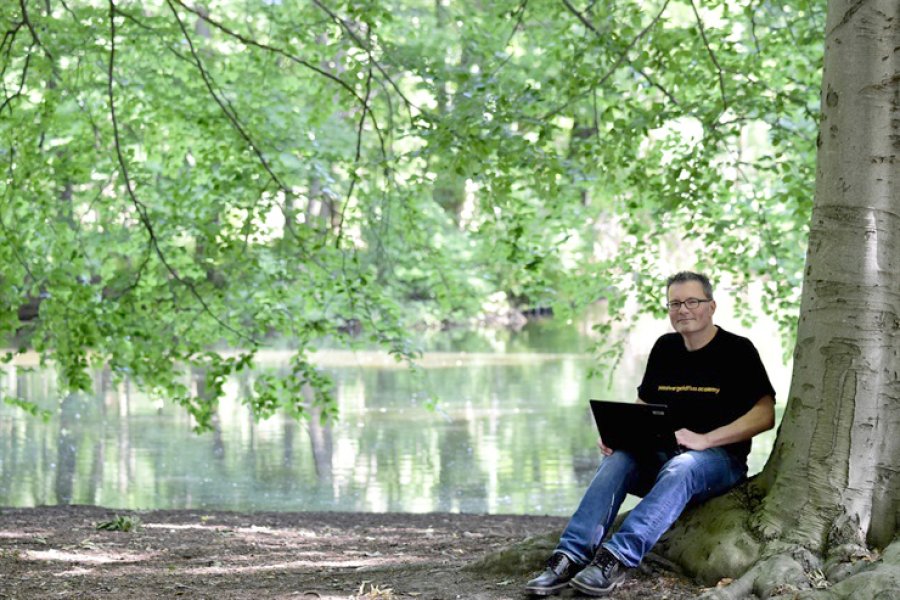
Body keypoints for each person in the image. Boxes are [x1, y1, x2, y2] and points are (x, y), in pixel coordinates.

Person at [525, 271, 776, 597]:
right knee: (619, 460)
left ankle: (614, 559)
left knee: (684, 465)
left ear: (711, 306)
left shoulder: (738, 351)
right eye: (675, 303)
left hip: (717, 462)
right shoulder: (665, 348)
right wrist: (622, 435)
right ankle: (569, 557)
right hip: (663, 456)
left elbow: (765, 414)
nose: (682, 309)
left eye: (691, 302)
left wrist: (706, 440)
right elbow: (643, 405)